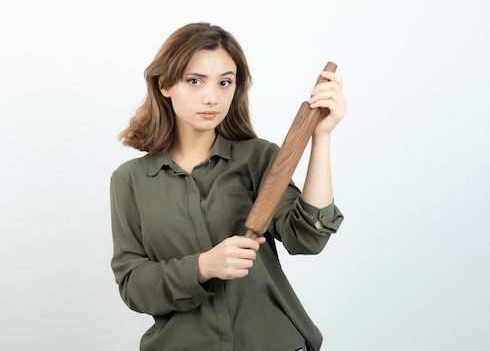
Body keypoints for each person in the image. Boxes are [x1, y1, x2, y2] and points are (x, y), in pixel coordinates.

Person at [109, 22, 345, 351]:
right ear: (164, 84)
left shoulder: (258, 157)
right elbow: (134, 287)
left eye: (225, 82)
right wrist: (203, 266)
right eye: (195, 81)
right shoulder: (130, 180)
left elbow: (308, 237)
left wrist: (321, 137)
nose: (212, 97)